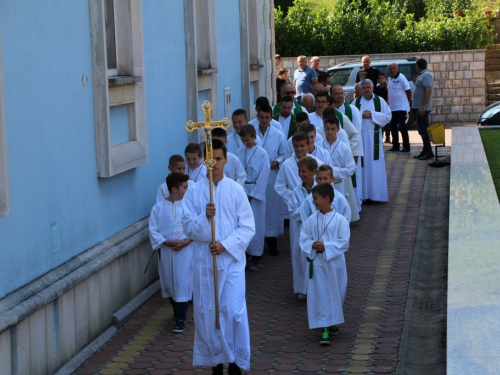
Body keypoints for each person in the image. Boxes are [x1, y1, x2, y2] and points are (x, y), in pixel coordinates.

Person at [181, 139, 255, 374]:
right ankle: (215, 363)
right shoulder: (195, 191)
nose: (215, 164)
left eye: (220, 159)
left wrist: (225, 245)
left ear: (225, 160)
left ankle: (234, 361)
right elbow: (187, 226)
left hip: (230, 262)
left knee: (233, 311)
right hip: (205, 263)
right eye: (211, 159)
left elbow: (247, 227)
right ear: (205, 160)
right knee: (208, 312)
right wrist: (204, 218)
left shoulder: (235, 189)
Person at [299, 183, 350, 345]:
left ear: (327, 199)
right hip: (318, 262)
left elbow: (344, 242)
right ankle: (325, 328)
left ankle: (333, 321)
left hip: (334, 264)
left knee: (336, 293)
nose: (313, 202)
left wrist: (326, 246)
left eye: (315, 199)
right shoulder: (311, 220)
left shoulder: (341, 220)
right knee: (321, 295)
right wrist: (312, 245)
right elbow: (304, 238)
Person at [275, 132, 322, 296]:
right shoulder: (287, 165)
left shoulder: (317, 163)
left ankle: (318, 286)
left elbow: (326, 186)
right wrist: (298, 201)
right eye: (296, 146)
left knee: (317, 254)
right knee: (299, 253)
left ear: (309, 145)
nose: (299, 149)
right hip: (299, 223)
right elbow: (279, 186)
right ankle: (302, 288)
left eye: (302, 146)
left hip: (318, 221)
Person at [149, 173, 193, 333]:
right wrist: (166, 242)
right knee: (169, 282)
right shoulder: (159, 208)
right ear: (174, 189)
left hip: (185, 251)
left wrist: (186, 241)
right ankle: (176, 310)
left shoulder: (189, 206)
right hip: (167, 251)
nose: (188, 190)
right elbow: (153, 229)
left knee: (182, 281)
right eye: (185, 187)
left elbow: (195, 226)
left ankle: (181, 318)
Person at [237, 125, 271, 271]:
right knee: (241, 223)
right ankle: (245, 254)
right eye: (243, 141)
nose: (246, 143)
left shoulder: (263, 154)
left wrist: (253, 194)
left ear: (254, 136)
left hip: (255, 192)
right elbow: (238, 172)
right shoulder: (240, 151)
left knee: (256, 223)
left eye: (248, 140)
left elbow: (264, 175)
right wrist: (240, 191)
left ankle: (257, 255)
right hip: (242, 190)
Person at [353, 79, 392, 202]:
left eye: (368, 87)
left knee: (375, 167)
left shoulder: (380, 101)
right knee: (362, 167)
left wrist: (373, 115)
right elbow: (350, 118)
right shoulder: (356, 102)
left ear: (373, 88)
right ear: (361, 89)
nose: (366, 90)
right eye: (364, 88)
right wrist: (360, 115)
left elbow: (388, 116)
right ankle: (363, 196)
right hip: (361, 138)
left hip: (374, 139)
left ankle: (376, 195)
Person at [256, 105, 287, 256]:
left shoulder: (278, 134)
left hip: (272, 176)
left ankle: (272, 241)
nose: (264, 120)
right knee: (258, 209)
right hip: (256, 178)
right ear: (257, 117)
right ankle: (257, 242)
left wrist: (278, 161)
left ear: (271, 118)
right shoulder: (252, 133)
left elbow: (284, 153)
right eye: (261, 117)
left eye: (267, 117)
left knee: (272, 209)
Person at [330, 84, 364, 212]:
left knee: (351, 183)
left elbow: (356, 134)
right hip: (334, 153)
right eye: (336, 94)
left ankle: (354, 207)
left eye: (341, 93)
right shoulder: (330, 112)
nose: (339, 96)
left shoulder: (352, 110)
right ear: (331, 96)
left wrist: (353, 153)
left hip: (348, 152)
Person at [322, 116, 356, 211]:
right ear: (324, 128)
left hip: (338, 184)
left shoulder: (344, 148)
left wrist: (333, 172)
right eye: (327, 129)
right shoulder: (319, 146)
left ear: (338, 129)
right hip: (321, 184)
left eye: (333, 129)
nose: (329, 132)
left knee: (337, 209)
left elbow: (350, 169)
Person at [411, 58, 434, 160]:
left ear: (418, 66)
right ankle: (425, 150)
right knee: (421, 129)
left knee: (423, 130)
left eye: (416, 66)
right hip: (418, 107)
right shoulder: (422, 75)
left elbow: (428, 90)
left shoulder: (426, 75)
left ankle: (428, 151)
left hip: (422, 108)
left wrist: (423, 106)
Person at [387, 63, 412, 153]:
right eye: (390, 68)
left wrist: (408, 101)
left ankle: (406, 147)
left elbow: (409, 91)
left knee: (402, 127)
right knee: (392, 127)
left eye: (394, 68)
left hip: (401, 107)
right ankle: (395, 146)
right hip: (392, 107)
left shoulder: (401, 78)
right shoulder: (389, 78)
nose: (392, 70)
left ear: (397, 68)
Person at [374, 72, 390, 144]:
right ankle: (381, 136)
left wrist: (386, 103)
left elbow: (389, 97)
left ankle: (388, 137)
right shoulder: (377, 89)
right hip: (379, 106)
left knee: (387, 123)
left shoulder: (387, 88)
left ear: (385, 79)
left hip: (386, 105)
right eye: (379, 79)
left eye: (382, 78)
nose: (381, 80)